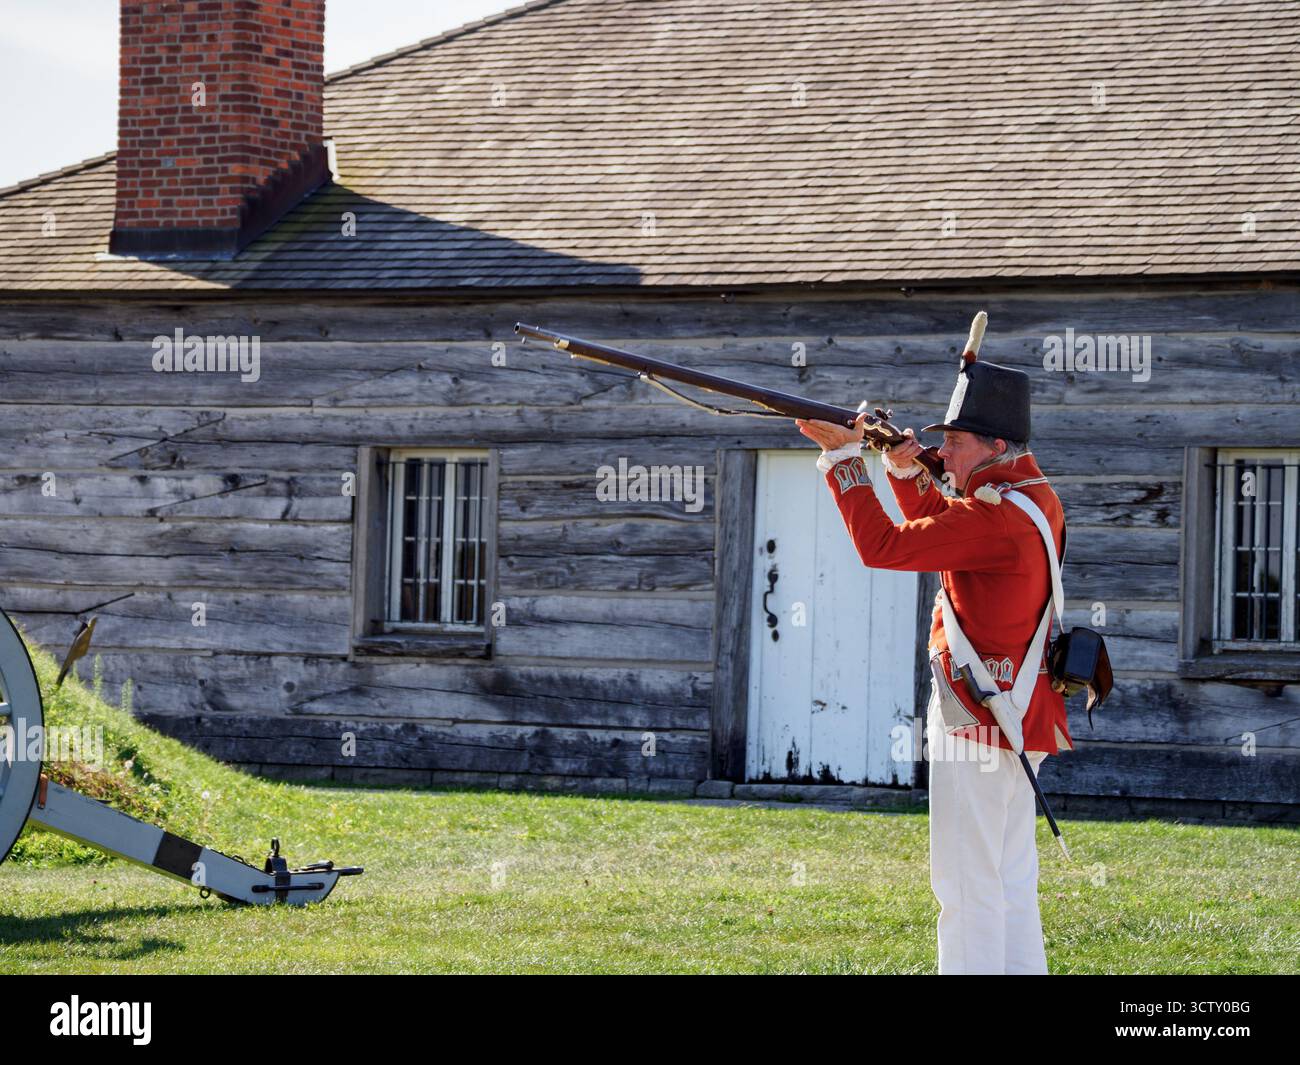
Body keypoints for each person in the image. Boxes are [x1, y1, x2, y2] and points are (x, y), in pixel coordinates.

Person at [795, 346, 1071, 975]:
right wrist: (902, 465)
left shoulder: (996, 513)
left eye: (956, 442)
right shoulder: (1028, 495)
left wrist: (843, 457)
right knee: (1006, 876)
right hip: (1012, 711)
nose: (942, 453)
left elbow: (884, 546)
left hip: (975, 713)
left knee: (966, 883)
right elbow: (949, 530)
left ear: (995, 443)